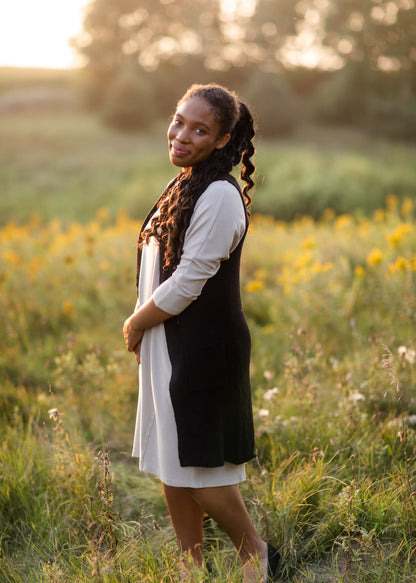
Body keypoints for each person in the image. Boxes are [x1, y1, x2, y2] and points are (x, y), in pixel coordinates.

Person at [123, 83, 280, 582]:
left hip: (203, 350)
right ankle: (190, 568)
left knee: (205, 476)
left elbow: (190, 280)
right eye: (178, 121)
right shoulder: (186, 183)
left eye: (199, 129)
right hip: (169, 343)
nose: (181, 135)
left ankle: (256, 553)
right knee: (174, 469)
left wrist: (136, 322)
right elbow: (157, 269)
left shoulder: (218, 195)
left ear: (223, 139)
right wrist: (146, 331)